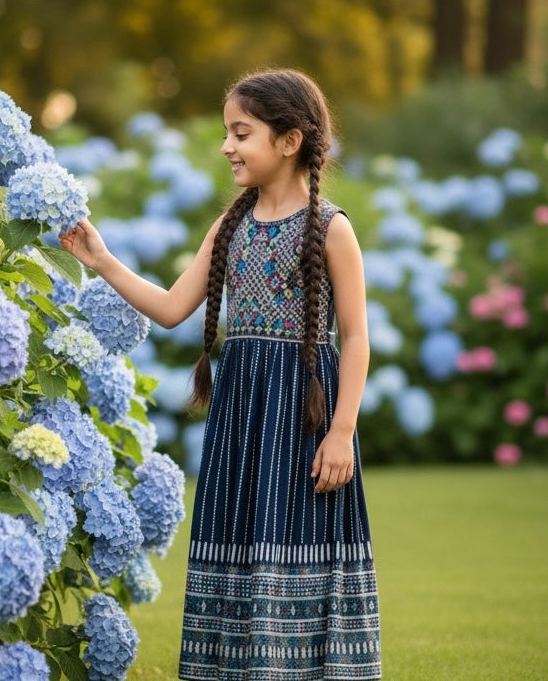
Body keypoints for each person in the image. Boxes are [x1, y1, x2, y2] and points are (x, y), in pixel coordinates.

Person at [60, 68, 381, 680]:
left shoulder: (331, 228)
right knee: (241, 540)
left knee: (295, 539)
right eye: (228, 132)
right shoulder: (231, 225)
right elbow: (173, 306)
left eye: (242, 132)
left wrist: (342, 431)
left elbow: (357, 335)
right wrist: (101, 261)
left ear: (289, 141)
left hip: (306, 412)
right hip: (243, 411)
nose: (227, 145)